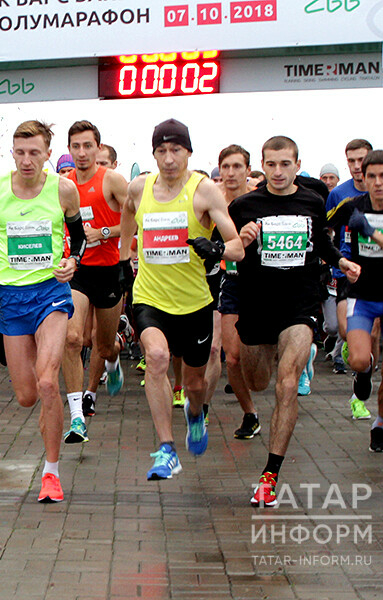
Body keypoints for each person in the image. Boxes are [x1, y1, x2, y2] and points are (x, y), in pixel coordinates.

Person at [231, 136, 360, 506]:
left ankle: (270, 475)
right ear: (263, 164)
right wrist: (241, 238)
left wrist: (342, 262)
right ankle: (276, 355)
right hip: (256, 306)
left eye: (285, 164)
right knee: (257, 382)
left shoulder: (312, 202)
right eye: (270, 164)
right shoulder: (244, 205)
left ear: (297, 165)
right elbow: (225, 250)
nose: (277, 172)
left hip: (300, 304)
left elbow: (322, 242)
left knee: (286, 385)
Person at [118, 118, 244, 481]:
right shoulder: (140, 187)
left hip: (195, 303)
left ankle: (195, 414)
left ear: (189, 152)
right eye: (161, 151)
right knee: (156, 358)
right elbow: (128, 209)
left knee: (194, 384)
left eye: (176, 150)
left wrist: (216, 248)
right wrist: (127, 253)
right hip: (149, 298)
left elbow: (238, 248)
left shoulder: (204, 191)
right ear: (153, 154)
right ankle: (166, 449)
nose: (169, 159)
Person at [0, 120, 87, 503]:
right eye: (20, 152)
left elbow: (80, 237)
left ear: (47, 154)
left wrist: (73, 261)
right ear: (12, 153)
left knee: (46, 382)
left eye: (34, 153)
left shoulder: (64, 189)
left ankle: (52, 473)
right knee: (26, 395)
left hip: (50, 293)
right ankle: (48, 418)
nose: (27, 161)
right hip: (10, 297)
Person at [60, 120, 129, 442]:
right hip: (78, 271)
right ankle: (78, 411)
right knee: (73, 339)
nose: (82, 152)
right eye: (76, 146)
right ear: (69, 149)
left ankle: (113, 362)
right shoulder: (64, 185)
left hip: (109, 270)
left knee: (103, 344)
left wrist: (103, 233)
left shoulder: (112, 180)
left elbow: (136, 221)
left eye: (88, 146)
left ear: (98, 148)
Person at [327, 150, 383, 452]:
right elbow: (321, 233)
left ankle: (379, 423)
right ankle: (364, 372)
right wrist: (340, 260)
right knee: (356, 359)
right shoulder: (351, 206)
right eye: (371, 176)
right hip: (362, 294)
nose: (378, 182)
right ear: (363, 178)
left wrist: (373, 232)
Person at [215, 145, 262, 439]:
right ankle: (250, 413)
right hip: (228, 279)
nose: (231, 173)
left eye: (237, 167)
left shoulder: (260, 200)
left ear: (248, 169)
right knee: (231, 356)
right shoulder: (212, 199)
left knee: (257, 356)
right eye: (226, 167)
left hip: (263, 283)